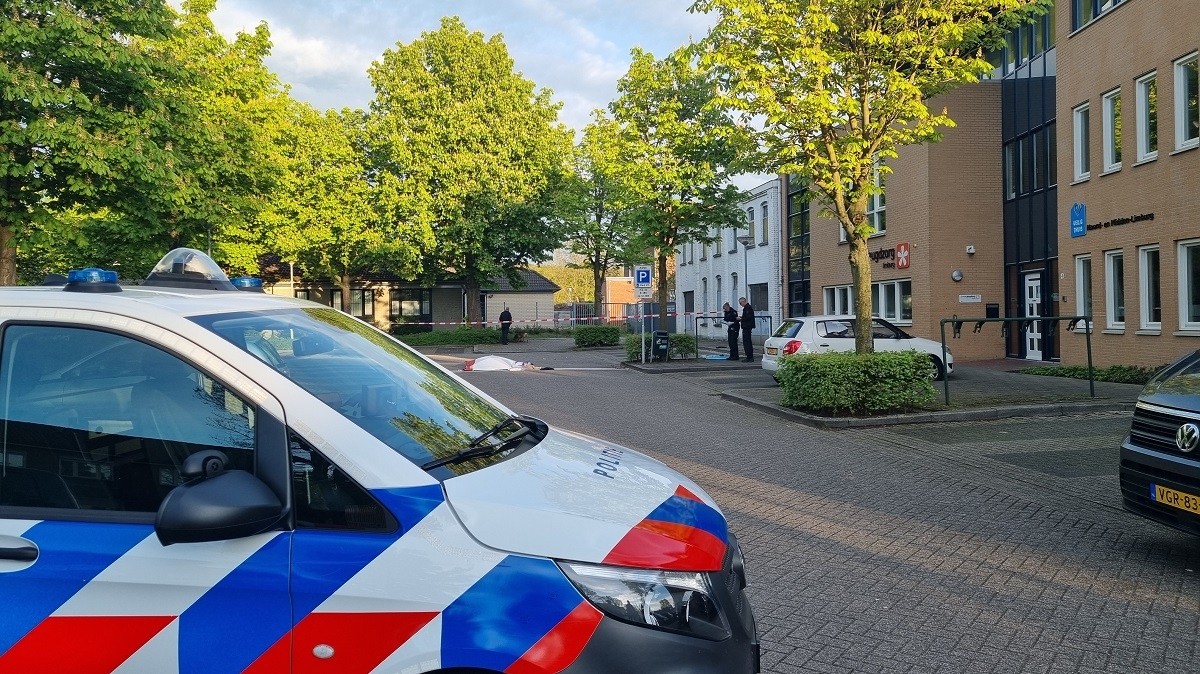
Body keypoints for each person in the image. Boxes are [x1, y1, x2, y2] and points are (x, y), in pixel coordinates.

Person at [739, 297, 755, 362]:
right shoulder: (747, 308)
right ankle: (749, 356)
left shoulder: (747, 308)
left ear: (743, 301)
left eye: (740, 303)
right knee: (747, 342)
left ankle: (749, 357)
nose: (740, 305)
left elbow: (748, 317)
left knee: (747, 342)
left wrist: (741, 319)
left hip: (747, 327)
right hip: (747, 326)